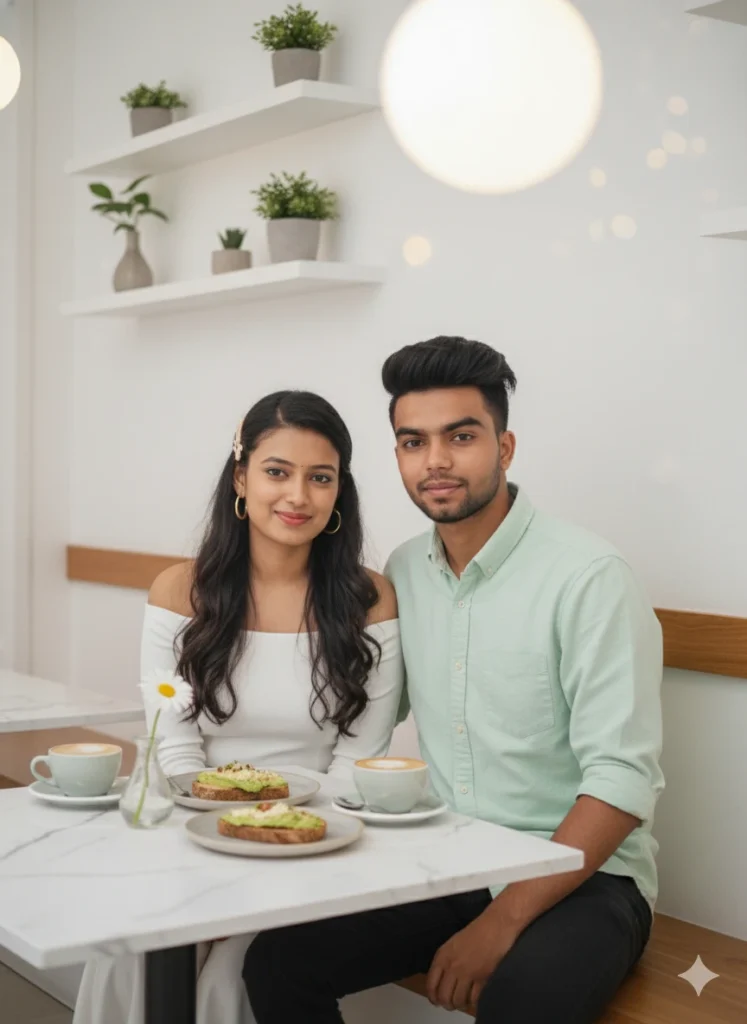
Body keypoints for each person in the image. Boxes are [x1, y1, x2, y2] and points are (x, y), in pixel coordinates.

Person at [243, 337, 664, 1024]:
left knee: (521, 1000)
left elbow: (620, 779)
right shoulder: (402, 573)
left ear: (504, 447)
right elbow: (351, 713)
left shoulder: (588, 577)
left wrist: (499, 924)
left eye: (459, 436)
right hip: (447, 857)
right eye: (412, 442)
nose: (434, 460)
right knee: (276, 962)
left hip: (584, 880)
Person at [73, 390, 403, 1024]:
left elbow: (359, 760)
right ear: (242, 478)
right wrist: (217, 863)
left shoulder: (369, 598)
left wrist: (272, 854)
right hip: (183, 829)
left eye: (320, 478)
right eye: (277, 471)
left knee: (233, 975)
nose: (297, 496)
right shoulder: (181, 590)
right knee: (133, 951)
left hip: (316, 838)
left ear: (341, 492)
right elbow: (173, 747)